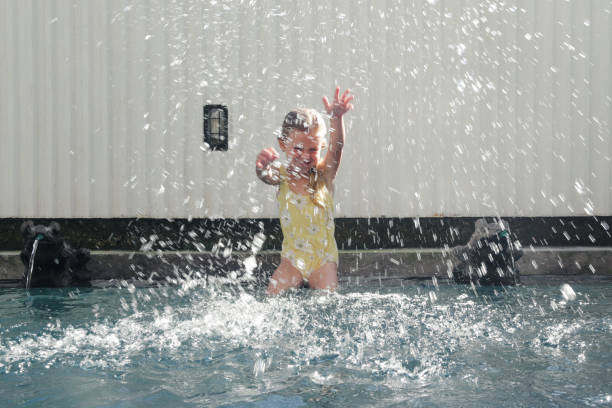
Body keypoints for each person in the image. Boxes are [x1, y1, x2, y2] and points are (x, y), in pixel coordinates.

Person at [255, 87, 354, 295]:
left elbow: (337, 148)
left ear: (321, 147)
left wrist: (336, 118)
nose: (306, 156)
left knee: (327, 296)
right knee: (272, 293)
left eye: (313, 149)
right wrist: (262, 167)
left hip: (322, 260)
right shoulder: (282, 176)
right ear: (283, 144)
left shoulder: (324, 175)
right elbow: (266, 176)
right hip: (292, 260)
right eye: (299, 149)